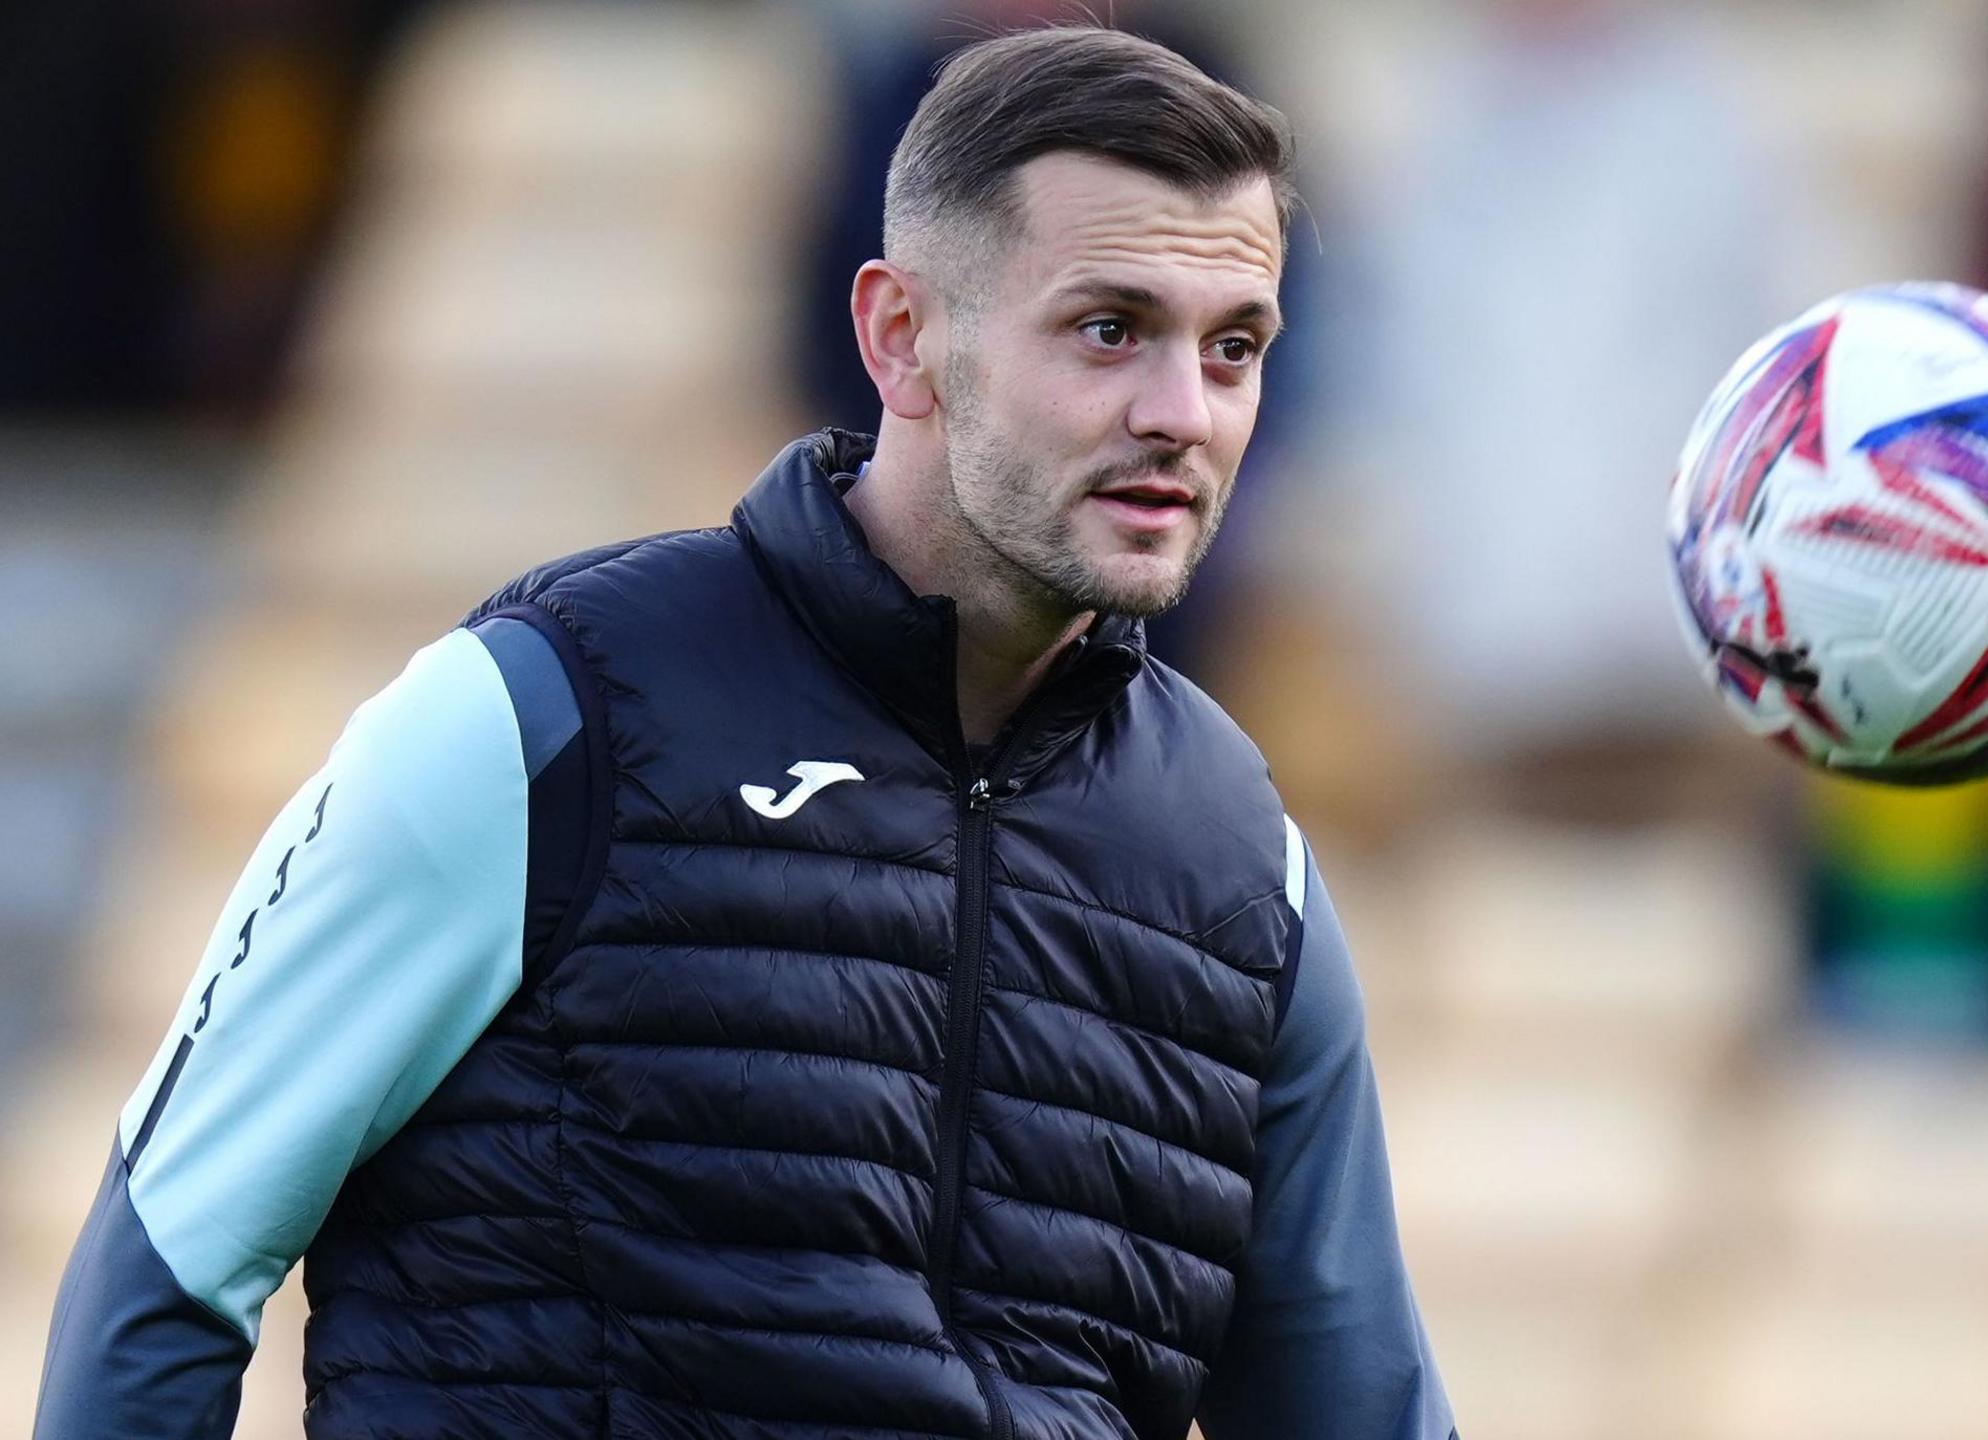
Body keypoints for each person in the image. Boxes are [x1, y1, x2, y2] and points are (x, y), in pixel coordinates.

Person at [36, 27, 1458, 1440]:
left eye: (1234, 349)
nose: (1182, 416)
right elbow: (166, 1267)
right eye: (1109, 330)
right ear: (902, 338)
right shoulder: (541, 718)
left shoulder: (1237, 867)